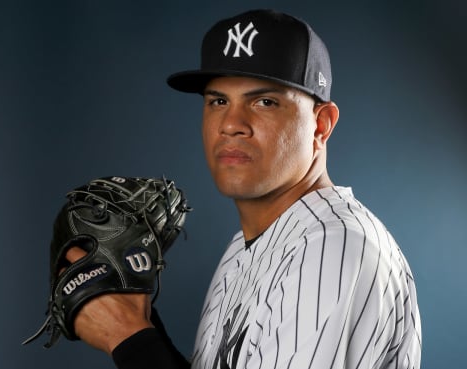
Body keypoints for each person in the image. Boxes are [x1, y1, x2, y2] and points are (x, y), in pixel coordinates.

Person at [64, 9, 422, 369]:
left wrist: (129, 338)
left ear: (321, 124)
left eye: (264, 101)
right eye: (218, 101)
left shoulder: (335, 246)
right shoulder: (244, 247)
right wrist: (139, 323)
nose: (232, 124)